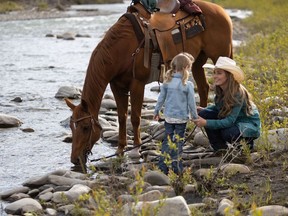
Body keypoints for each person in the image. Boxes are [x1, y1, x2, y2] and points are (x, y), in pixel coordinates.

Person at [193, 56, 261, 152]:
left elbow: (230, 121)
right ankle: (220, 148)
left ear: (229, 75)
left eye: (219, 73)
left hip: (246, 125)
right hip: (234, 121)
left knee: (227, 132)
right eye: (214, 73)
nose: (215, 76)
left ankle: (246, 145)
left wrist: (206, 123)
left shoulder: (238, 93)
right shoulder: (220, 89)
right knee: (204, 114)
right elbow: (219, 107)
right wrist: (204, 109)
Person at [154, 52, 198, 175]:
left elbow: (161, 98)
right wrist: (194, 117)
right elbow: (191, 103)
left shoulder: (167, 82)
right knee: (178, 142)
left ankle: (162, 166)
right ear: (186, 68)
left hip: (168, 117)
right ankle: (176, 167)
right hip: (181, 119)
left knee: (167, 141)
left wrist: (156, 111)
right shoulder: (187, 84)